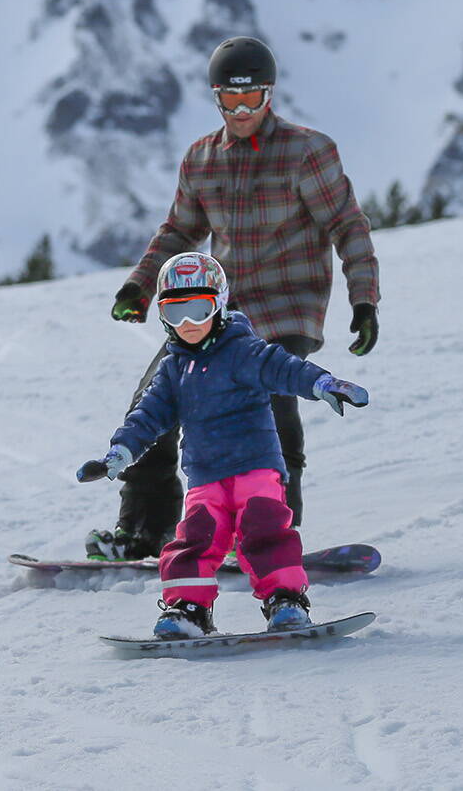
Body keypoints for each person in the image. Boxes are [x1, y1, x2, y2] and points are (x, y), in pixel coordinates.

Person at [87, 35, 380, 561]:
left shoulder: (307, 152)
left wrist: (365, 300)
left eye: (253, 99)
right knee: (155, 399)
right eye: (230, 100)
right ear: (216, 97)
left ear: (270, 95)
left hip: (289, 306)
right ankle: (144, 531)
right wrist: (140, 284)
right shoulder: (202, 159)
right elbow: (179, 233)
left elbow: (347, 225)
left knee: (269, 408)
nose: (242, 111)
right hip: (214, 308)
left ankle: (267, 540)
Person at [79, 252, 370, 638]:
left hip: (255, 468)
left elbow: (284, 368)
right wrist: (121, 453)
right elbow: (147, 416)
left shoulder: (241, 350)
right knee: (195, 541)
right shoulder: (172, 369)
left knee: (264, 531)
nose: (188, 324)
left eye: (198, 310)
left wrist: (322, 384)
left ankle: (285, 600)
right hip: (205, 478)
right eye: (175, 313)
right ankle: (189, 608)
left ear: (218, 305)